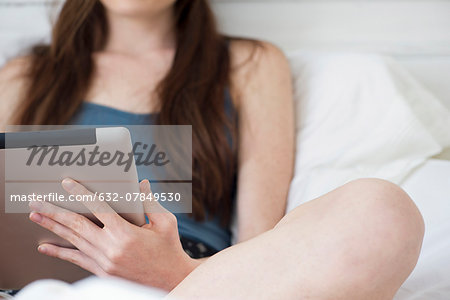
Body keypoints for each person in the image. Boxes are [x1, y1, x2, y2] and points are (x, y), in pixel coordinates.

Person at [0, 0, 424, 298]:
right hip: (44, 279)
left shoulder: (249, 65)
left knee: (382, 209)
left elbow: (264, 241)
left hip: (206, 279)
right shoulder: (25, 76)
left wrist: (175, 272)